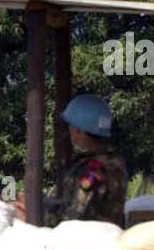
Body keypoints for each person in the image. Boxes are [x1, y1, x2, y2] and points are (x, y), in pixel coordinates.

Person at [47, 94, 128, 226]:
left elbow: (74, 215)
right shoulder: (114, 161)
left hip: (86, 243)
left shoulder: (93, 168)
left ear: (78, 129)